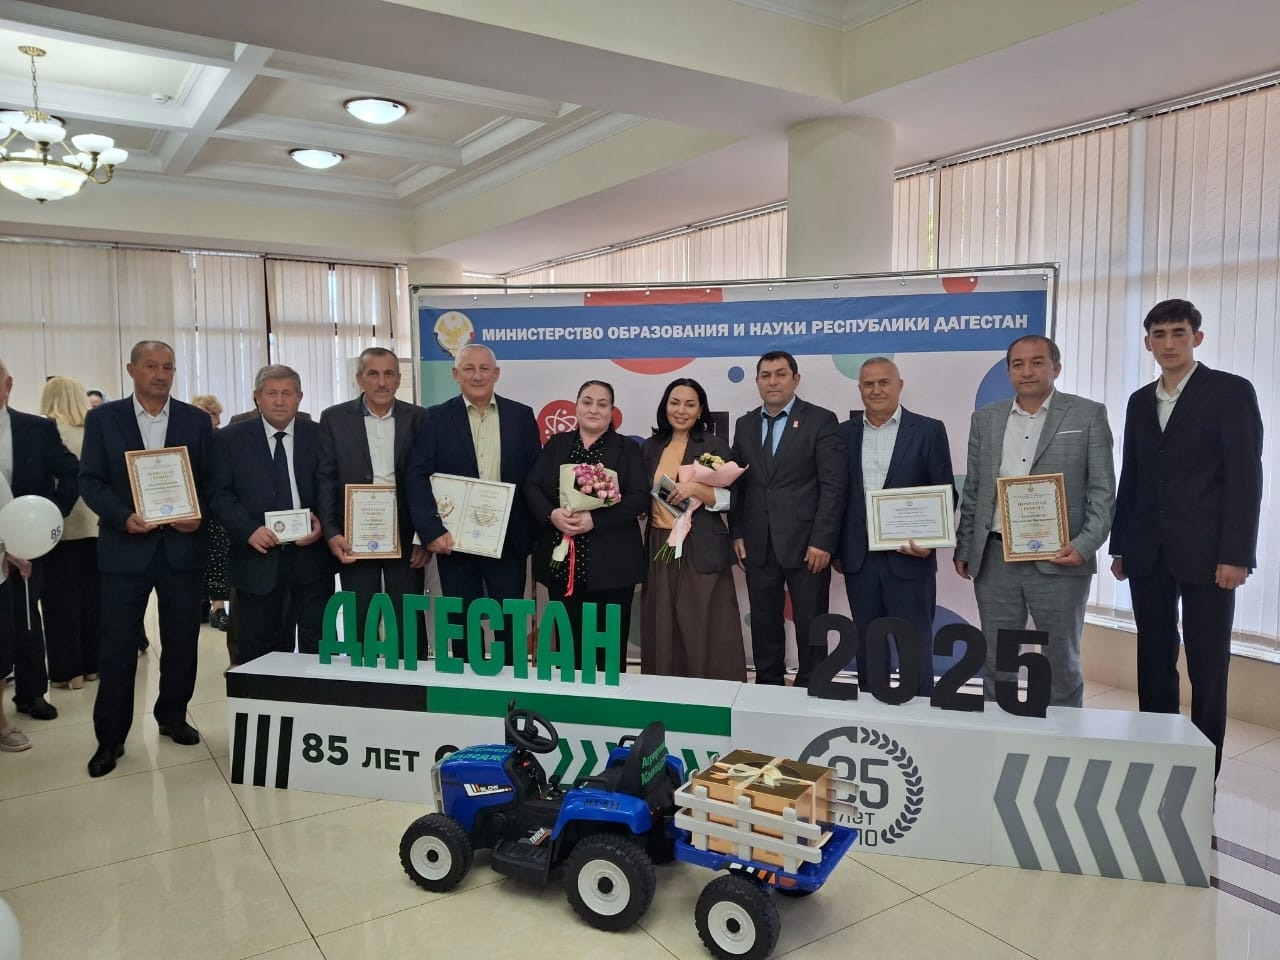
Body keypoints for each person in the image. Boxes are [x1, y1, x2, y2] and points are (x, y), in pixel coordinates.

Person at [1110, 299, 1263, 774]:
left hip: (1211, 555)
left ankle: (1203, 774)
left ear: (1197, 337)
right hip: (1147, 551)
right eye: (1159, 335)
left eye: (1178, 332)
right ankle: (1159, 762)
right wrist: (1121, 545)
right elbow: (1132, 475)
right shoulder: (1140, 401)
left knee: (1207, 665)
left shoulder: (1230, 392)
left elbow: (1245, 477)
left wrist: (1237, 554)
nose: (1169, 343)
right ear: (1148, 343)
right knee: (1154, 659)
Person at [954, 335, 1115, 708]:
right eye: (1018, 364)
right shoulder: (986, 419)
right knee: (998, 657)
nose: (1027, 371)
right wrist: (965, 546)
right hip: (995, 558)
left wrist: (1084, 545)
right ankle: (999, 730)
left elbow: (1103, 491)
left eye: (1037, 362)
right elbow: (975, 489)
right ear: (1009, 371)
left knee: (1061, 659)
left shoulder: (1087, 415)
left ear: (1056, 368)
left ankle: (1064, 732)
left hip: (1061, 557)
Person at [80, 340, 213, 777]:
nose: (160, 374)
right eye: (151, 366)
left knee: (182, 643)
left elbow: (211, 482)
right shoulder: (104, 419)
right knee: (117, 648)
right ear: (132, 369)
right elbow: (90, 481)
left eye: (168, 367)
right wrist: (123, 517)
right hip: (125, 550)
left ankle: (172, 716)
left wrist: (198, 515)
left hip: (182, 550)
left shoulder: (195, 421)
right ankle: (110, 738)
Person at [407, 345, 539, 664]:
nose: (477, 376)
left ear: (497, 374)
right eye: (468, 368)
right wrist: (430, 531)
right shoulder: (435, 417)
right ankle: (467, 682)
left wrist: (532, 534)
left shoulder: (521, 416)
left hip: (508, 541)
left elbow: (535, 476)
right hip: (454, 541)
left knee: (508, 621)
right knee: (463, 621)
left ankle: (509, 683)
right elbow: (417, 475)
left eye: (484, 368)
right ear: (456, 374)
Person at [836, 358, 954, 695]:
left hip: (910, 558)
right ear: (859, 389)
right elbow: (834, 495)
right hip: (859, 559)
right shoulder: (842, 434)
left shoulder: (929, 430)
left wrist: (931, 540)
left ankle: (918, 713)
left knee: (914, 642)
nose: (876, 390)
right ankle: (872, 710)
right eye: (868, 384)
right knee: (867, 643)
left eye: (884, 382)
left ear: (899, 385)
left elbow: (945, 490)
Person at [729, 351, 847, 687]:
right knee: (764, 623)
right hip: (758, 543)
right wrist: (737, 533)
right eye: (766, 375)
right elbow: (738, 484)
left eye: (781, 374)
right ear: (757, 382)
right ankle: (768, 687)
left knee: (811, 623)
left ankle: (813, 687)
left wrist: (823, 541)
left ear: (796, 379)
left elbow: (834, 486)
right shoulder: (745, 424)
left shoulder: (821, 420)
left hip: (808, 545)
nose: (773, 382)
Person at [210, 365, 334, 663]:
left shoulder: (319, 435)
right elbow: (218, 494)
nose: (280, 401)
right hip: (256, 557)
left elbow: (331, 485)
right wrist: (248, 530)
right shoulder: (230, 439)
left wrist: (323, 524)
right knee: (259, 646)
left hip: (312, 557)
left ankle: (315, 693)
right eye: (272, 394)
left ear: (299, 397)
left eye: (287, 393)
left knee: (319, 642)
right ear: (257, 397)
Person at [525, 380, 647, 672]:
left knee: (608, 654)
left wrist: (595, 519)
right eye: (587, 402)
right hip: (564, 566)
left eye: (602, 404)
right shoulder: (558, 445)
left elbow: (640, 497)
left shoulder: (627, 448)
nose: (594, 409)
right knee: (569, 650)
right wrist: (552, 514)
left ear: (611, 411)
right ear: (577, 406)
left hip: (613, 568)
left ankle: (610, 699)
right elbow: (531, 486)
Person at [317, 347, 428, 652]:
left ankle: (412, 680)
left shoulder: (419, 418)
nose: (382, 382)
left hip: (406, 536)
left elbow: (430, 480)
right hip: (353, 536)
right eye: (373, 374)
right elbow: (325, 479)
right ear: (359, 379)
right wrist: (332, 532)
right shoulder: (334, 419)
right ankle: (362, 680)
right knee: (360, 620)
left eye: (389, 374)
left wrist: (424, 536)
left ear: (398, 379)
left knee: (408, 623)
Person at [640, 378, 745, 681]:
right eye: (675, 403)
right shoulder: (651, 447)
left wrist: (698, 489)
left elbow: (733, 499)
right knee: (662, 625)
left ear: (700, 410)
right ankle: (665, 691)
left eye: (689, 404)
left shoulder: (714, 446)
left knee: (704, 624)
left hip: (701, 545)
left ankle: (712, 694)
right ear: (665, 406)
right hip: (660, 546)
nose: (681, 410)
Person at [0, 357, 79, 722]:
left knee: (25, 617)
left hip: (26, 542)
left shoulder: (36, 428)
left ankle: (31, 693)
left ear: (9, 385)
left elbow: (72, 472)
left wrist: (52, 514)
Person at [39, 376, 102, 691]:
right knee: (93, 602)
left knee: (59, 605)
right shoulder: (93, 433)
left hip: (58, 531)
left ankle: (68, 672)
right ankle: (93, 666)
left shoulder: (45, 433)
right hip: (96, 529)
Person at [191, 394, 231, 632]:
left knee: (218, 555)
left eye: (213, 414)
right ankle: (200, 602)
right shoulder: (186, 438)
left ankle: (218, 606)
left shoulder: (223, 439)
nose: (210, 419)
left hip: (216, 507)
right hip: (191, 508)